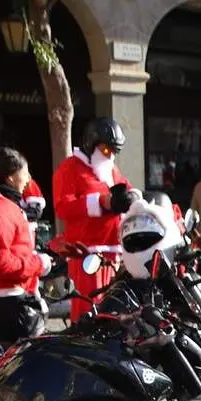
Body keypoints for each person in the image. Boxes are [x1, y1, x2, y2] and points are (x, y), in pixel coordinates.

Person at [52, 116, 134, 322]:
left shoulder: (111, 169)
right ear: (92, 144)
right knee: (89, 309)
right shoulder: (70, 168)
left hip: (114, 253)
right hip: (86, 253)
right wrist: (99, 202)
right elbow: (63, 207)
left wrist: (132, 198)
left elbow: (127, 188)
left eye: (114, 151)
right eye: (107, 150)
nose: (111, 156)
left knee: (115, 308)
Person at [0, 147, 51, 343]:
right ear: (10, 177)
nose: (28, 179)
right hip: (5, 302)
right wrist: (38, 264)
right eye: (25, 173)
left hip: (1, 296)